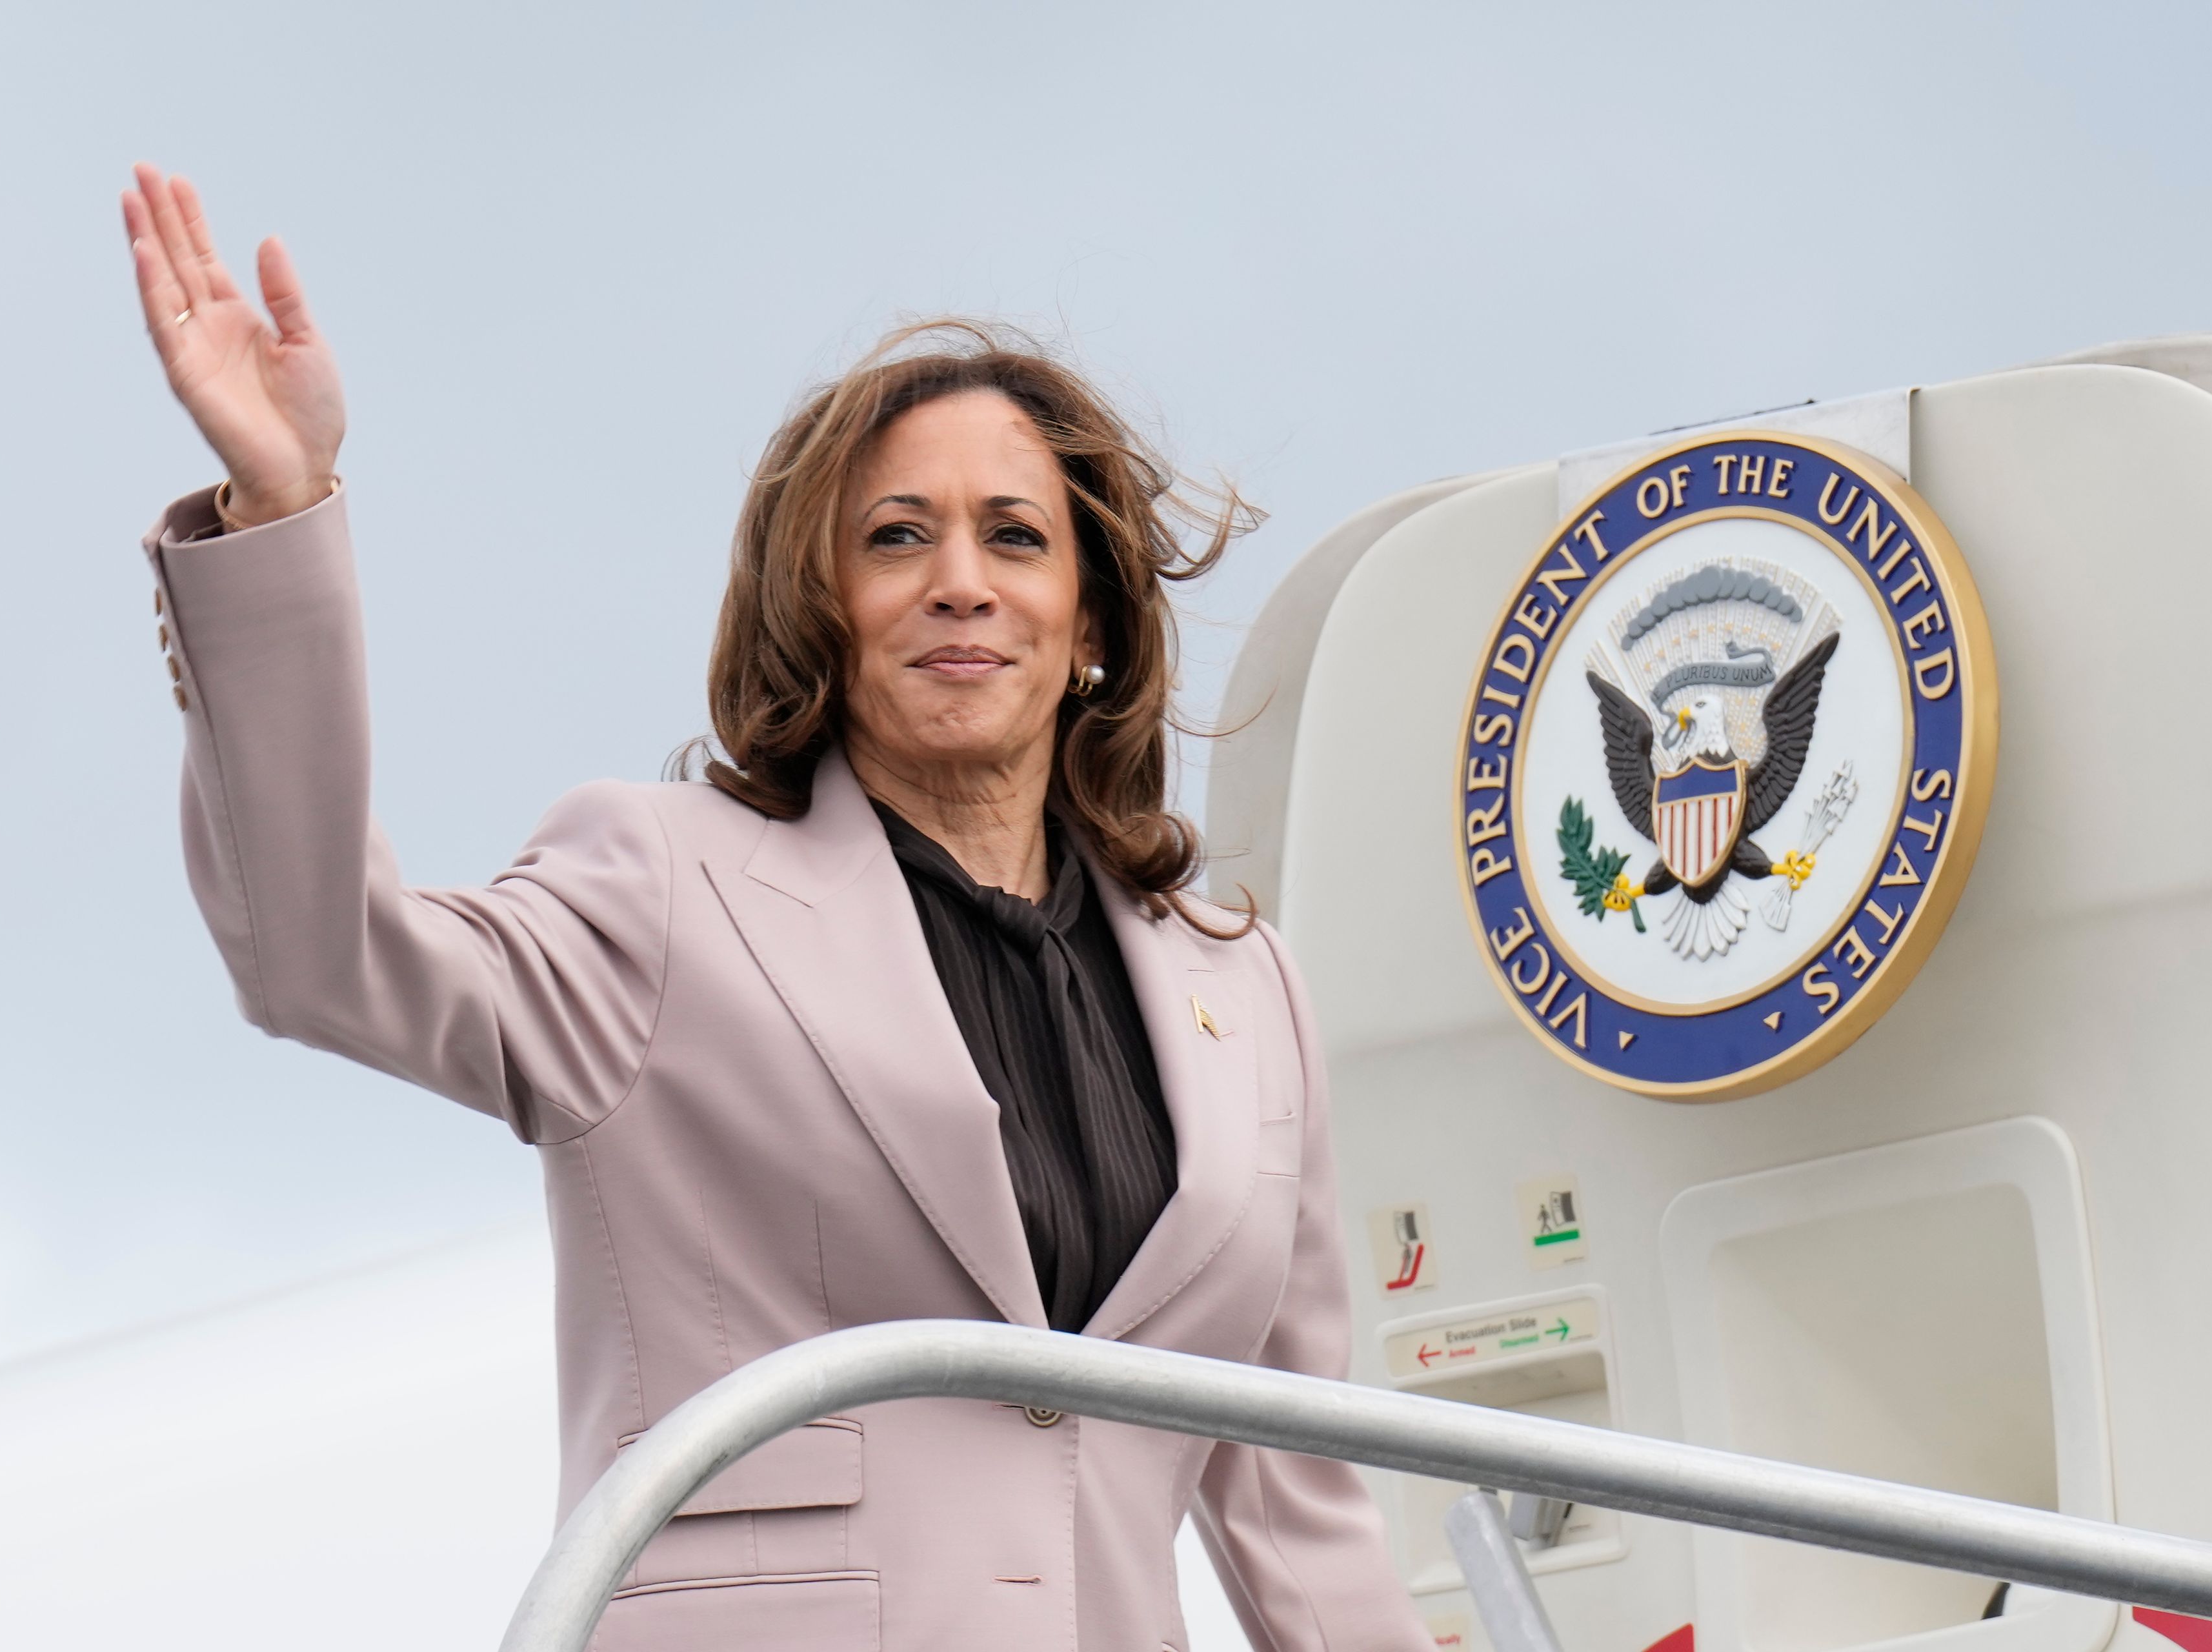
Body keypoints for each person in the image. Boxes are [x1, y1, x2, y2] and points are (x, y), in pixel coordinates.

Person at [121, 162, 1431, 1652]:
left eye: (1014, 535)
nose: (959, 582)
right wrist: (279, 511)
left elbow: (1301, 1500)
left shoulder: (1243, 987)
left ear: (1094, 624)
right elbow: (320, 959)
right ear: (819, 602)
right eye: (894, 538)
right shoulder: (663, 885)